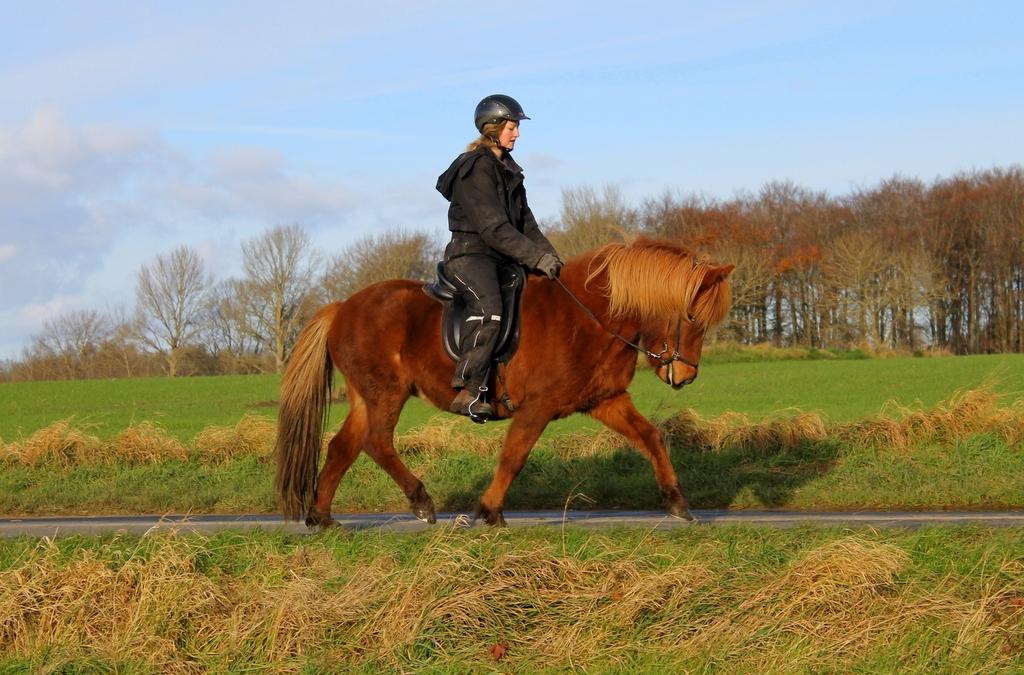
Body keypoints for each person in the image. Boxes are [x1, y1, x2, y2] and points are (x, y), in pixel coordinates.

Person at [435, 94, 563, 421]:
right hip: (470, 256)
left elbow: (527, 226)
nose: (516, 133)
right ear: (491, 128)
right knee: (490, 308)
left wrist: (551, 260)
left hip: (501, 257)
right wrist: (534, 257)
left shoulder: (509, 171)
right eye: (511, 126)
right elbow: (493, 228)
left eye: (516, 127)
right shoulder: (475, 168)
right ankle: (468, 389)